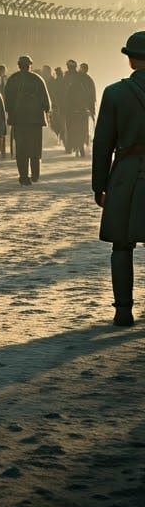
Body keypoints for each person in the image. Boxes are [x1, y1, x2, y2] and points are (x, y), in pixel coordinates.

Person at [91, 31, 145, 326]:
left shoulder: (114, 93)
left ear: (130, 60)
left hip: (126, 173)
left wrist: (99, 185)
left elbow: (103, 144)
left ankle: (123, 309)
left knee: (121, 245)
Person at [3, 55, 51, 185]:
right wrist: (47, 111)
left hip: (19, 120)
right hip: (35, 121)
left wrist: (10, 114)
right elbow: (46, 102)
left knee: (21, 149)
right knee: (35, 148)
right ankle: (35, 174)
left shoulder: (13, 79)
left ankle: (23, 176)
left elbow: (7, 101)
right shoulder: (37, 79)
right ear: (31, 65)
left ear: (19, 65)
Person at [65, 59, 95, 158]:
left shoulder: (74, 78)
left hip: (77, 109)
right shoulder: (83, 79)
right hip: (80, 109)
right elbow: (91, 95)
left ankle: (77, 146)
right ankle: (77, 146)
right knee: (79, 128)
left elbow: (91, 95)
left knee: (76, 128)